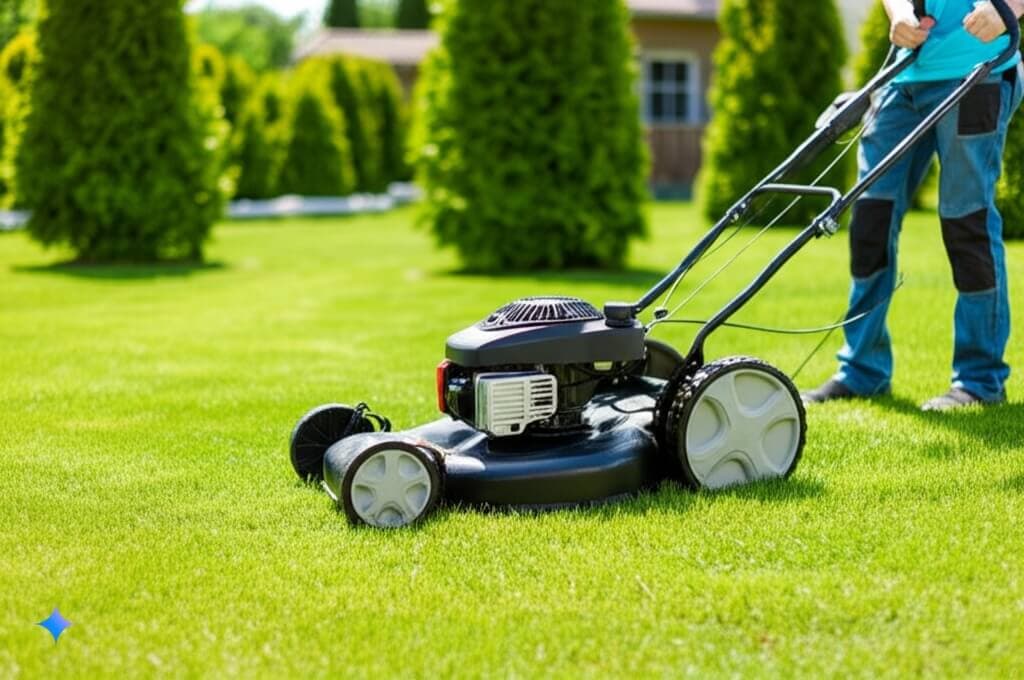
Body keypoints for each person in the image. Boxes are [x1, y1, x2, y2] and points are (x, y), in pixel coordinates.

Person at [803, 0, 1024, 411]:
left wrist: (1010, 7)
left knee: (966, 222)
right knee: (870, 220)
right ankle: (862, 370)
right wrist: (899, 13)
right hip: (905, 76)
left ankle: (980, 381)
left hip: (978, 72)